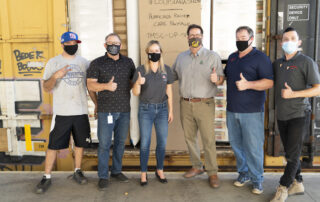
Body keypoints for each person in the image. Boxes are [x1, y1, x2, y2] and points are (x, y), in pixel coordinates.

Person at [36, 31, 95, 194]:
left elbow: (91, 86)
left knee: (80, 144)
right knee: (53, 145)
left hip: (81, 110)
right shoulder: (53, 62)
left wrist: (96, 105)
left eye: (74, 44)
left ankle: (77, 170)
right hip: (62, 112)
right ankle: (46, 177)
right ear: (62, 44)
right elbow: (47, 87)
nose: (72, 46)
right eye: (68, 44)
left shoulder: (84, 62)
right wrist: (56, 75)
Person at [270, 27, 320, 202]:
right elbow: (268, 81)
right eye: (285, 39)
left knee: (292, 154)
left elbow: (317, 89)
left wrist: (294, 94)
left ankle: (283, 187)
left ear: (299, 42)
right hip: (282, 115)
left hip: (299, 114)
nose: (288, 41)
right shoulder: (277, 64)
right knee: (291, 152)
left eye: (292, 38)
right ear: (281, 42)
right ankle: (297, 182)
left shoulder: (306, 61)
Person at [172, 24, 224, 188]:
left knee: (208, 140)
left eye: (197, 34)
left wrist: (218, 80)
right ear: (187, 37)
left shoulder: (212, 56)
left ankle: (212, 172)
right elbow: (172, 75)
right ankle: (197, 166)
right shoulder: (181, 58)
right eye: (191, 35)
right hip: (185, 103)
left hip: (205, 104)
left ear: (202, 37)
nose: (195, 37)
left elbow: (221, 78)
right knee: (190, 138)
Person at [224, 26, 273, 194]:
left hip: (252, 112)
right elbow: (227, 77)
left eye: (243, 37)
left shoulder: (260, 58)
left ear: (251, 39)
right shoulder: (232, 58)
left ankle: (257, 179)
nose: (240, 41)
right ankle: (243, 174)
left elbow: (269, 82)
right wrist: (218, 79)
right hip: (232, 110)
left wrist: (248, 85)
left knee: (253, 147)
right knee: (237, 146)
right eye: (237, 37)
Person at [86, 33, 135, 190]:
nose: (113, 45)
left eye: (116, 43)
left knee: (120, 143)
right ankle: (103, 175)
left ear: (121, 45)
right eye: (110, 43)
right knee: (105, 144)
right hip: (106, 111)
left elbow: (133, 82)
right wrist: (106, 87)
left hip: (124, 111)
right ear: (105, 45)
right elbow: (90, 85)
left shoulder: (128, 62)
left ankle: (116, 171)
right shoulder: (97, 63)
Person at [132, 40, 173, 186]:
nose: (154, 53)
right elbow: (135, 93)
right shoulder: (141, 70)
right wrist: (138, 83)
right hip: (145, 110)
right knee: (145, 144)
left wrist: (171, 110)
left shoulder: (166, 70)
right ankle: (143, 173)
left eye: (157, 51)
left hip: (162, 109)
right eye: (151, 51)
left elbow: (169, 90)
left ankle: (159, 170)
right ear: (147, 53)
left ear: (161, 52)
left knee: (162, 142)